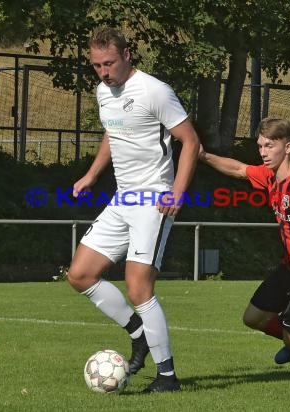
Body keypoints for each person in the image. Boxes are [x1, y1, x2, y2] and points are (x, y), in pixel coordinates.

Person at [66, 27, 200, 393]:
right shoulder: (103, 92)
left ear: (127, 55)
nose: (103, 72)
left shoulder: (155, 90)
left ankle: (167, 376)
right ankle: (138, 335)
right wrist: (92, 175)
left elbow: (190, 141)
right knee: (80, 274)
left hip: (153, 198)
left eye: (108, 63)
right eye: (96, 66)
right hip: (122, 199)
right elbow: (114, 131)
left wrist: (176, 192)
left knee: (138, 285)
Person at [198, 117, 290, 378]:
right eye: (260, 146)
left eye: (270, 146)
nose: (263, 153)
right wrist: (202, 155)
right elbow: (239, 170)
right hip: (289, 268)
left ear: (287, 147)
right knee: (253, 318)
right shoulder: (270, 176)